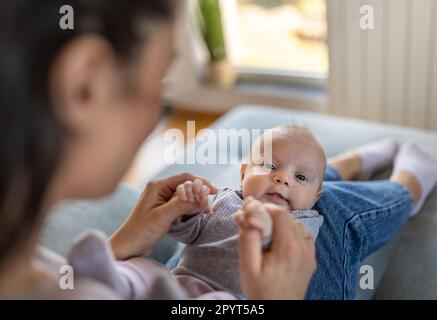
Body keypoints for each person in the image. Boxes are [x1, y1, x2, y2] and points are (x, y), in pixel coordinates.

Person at [0, 0, 316, 299]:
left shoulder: (29, 267)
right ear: (85, 86)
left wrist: (119, 248)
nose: (155, 117)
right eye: (161, 77)